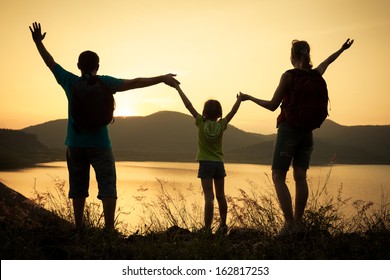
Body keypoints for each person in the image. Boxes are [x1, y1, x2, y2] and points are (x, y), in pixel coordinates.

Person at [29, 22, 179, 231]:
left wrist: (38, 43)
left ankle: (79, 228)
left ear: (79, 66)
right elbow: (135, 82)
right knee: (108, 185)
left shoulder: (70, 82)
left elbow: (50, 63)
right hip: (100, 144)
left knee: (78, 187)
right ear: (97, 66)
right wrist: (161, 78)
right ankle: (109, 230)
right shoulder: (106, 82)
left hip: (75, 145)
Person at [240, 38, 354, 234]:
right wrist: (342, 49)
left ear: (292, 56)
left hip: (288, 131)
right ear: (308, 55)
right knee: (300, 177)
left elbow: (272, 105)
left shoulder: (288, 76)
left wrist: (249, 98)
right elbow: (329, 60)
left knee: (278, 176)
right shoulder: (315, 74)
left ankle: (289, 224)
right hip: (307, 133)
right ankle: (299, 224)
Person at [175, 84, 242, 233]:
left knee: (209, 197)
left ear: (204, 112)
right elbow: (233, 111)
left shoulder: (200, 122)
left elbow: (188, 105)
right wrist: (239, 100)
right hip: (219, 163)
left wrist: (178, 89)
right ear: (219, 113)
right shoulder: (222, 124)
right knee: (220, 195)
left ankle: (206, 228)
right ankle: (223, 225)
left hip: (206, 163)